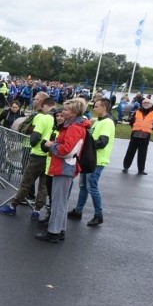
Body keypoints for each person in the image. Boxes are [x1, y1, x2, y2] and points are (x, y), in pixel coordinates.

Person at [36, 97, 90, 243]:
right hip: (65, 167)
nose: (63, 112)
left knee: (58, 203)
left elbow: (67, 150)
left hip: (64, 167)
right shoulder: (74, 126)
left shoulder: (74, 128)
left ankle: (53, 232)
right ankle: (60, 230)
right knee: (61, 202)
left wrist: (50, 145)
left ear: (74, 112)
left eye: (66, 109)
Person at [0, 92, 55, 219]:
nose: (33, 101)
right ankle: (37, 211)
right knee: (43, 186)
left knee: (26, 182)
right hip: (49, 156)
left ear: (42, 102)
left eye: (36, 99)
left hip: (37, 154)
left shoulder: (41, 117)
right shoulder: (54, 117)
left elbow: (34, 138)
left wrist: (31, 133)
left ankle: (12, 206)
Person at [68, 98, 115, 226]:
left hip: (97, 161)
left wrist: (86, 144)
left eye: (96, 106)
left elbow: (102, 142)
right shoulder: (98, 121)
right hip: (89, 159)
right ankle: (78, 210)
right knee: (83, 186)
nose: (94, 108)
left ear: (104, 108)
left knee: (92, 187)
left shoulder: (107, 123)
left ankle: (98, 215)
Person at [122, 97, 153, 175]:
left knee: (142, 154)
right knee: (130, 152)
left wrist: (147, 129)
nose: (146, 104)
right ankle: (126, 167)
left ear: (151, 104)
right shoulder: (137, 111)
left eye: (148, 103)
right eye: (144, 103)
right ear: (142, 104)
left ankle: (141, 170)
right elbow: (132, 122)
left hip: (145, 136)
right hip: (135, 135)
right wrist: (136, 128)